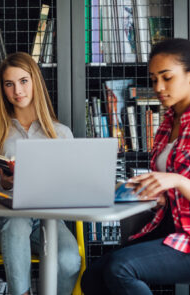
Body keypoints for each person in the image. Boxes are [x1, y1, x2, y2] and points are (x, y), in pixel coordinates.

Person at [81, 38, 190, 295]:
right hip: (169, 225)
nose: (159, 87)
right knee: (93, 277)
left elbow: (178, 179)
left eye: (167, 77)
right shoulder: (168, 122)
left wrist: (176, 181)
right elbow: (169, 183)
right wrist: (155, 191)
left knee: (121, 269)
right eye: (153, 79)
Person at [0, 52, 81, 295]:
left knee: (68, 260)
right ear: (3, 89)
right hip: (2, 222)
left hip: (48, 222)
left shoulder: (61, 133)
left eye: (24, 81)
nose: (18, 90)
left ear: (35, 82)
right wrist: (2, 182)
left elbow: (74, 187)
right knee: (17, 223)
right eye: (9, 84)